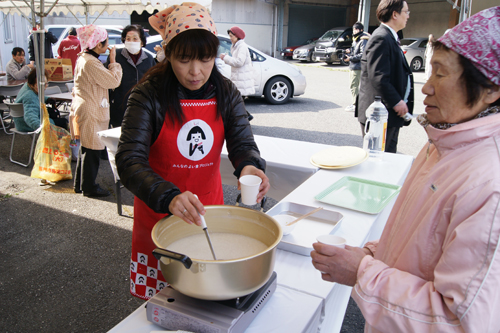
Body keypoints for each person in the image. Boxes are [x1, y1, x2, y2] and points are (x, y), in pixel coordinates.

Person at [311, 6, 500, 332]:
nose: (426, 87)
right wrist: (371, 254)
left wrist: (363, 272)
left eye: (440, 74)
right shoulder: (444, 142)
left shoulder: (488, 183)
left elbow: (458, 320)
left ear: (491, 90)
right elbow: (416, 236)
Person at [116, 2, 270, 300]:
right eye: (185, 59)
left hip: (207, 214)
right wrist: (169, 196)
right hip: (159, 217)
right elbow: (128, 160)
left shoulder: (225, 91)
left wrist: (250, 165)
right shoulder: (148, 94)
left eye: (205, 58)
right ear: (168, 53)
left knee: (208, 298)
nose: (196, 71)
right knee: (161, 309)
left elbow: (242, 143)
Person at [70, 25, 122, 197]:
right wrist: (113, 62)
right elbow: (113, 81)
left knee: (86, 148)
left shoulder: (84, 58)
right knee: (92, 150)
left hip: (86, 106)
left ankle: (80, 184)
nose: (108, 47)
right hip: (91, 109)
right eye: (106, 43)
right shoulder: (91, 62)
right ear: (98, 45)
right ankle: (89, 187)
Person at [355, 0, 413, 153]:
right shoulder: (381, 38)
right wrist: (396, 101)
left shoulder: (390, 37)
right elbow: (378, 77)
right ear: (395, 14)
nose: (408, 16)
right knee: (378, 161)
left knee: (387, 159)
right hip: (379, 115)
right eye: (406, 12)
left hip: (387, 115)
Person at [105, 24, 155, 128]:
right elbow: (107, 79)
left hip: (142, 108)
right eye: (128, 38)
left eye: (135, 38)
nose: (131, 41)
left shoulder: (149, 59)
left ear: (141, 42)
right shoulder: (116, 56)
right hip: (120, 108)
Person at [219, 26, 255, 121]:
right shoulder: (236, 46)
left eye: (232, 36)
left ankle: (243, 118)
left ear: (237, 36)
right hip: (239, 78)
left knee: (236, 101)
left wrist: (225, 58)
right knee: (237, 101)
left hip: (242, 79)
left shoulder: (241, 46)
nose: (230, 38)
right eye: (230, 36)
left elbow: (239, 62)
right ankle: (245, 117)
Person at [344, 22, 370, 112]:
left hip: (357, 66)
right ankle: (357, 104)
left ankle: (355, 105)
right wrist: (349, 50)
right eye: (353, 29)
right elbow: (355, 50)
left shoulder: (363, 40)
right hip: (353, 65)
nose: (354, 31)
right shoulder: (356, 39)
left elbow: (363, 54)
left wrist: (350, 58)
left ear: (361, 30)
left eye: (356, 29)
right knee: (354, 85)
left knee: (354, 85)